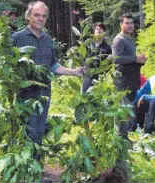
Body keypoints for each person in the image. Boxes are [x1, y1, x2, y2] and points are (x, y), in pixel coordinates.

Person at [12, 1, 85, 146]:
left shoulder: (48, 40)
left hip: (45, 92)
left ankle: (36, 165)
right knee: (28, 131)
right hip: (25, 93)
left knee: (39, 130)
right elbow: (10, 65)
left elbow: (53, 65)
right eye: (36, 15)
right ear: (28, 16)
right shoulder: (17, 38)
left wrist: (74, 72)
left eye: (43, 16)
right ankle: (26, 165)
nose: (40, 19)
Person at [111, 13, 147, 102]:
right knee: (126, 110)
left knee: (133, 108)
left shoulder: (129, 39)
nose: (130, 25)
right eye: (127, 23)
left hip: (132, 80)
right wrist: (135, 58)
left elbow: (129, 59)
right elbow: (116, 59)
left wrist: (140, 61)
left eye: (131, 23)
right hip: (124, 82)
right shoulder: (119, 40)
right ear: (121, 24)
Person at [82, 22, 112, 92]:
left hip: (100, 78)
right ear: (94, 32)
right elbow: (82, 58)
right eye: (97, 29)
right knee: (85, 97)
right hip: (88, 77)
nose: (98, 30)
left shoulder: (107, 48)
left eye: (101, 29)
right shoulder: (88, 45)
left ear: (104, 32)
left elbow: (110, 65)